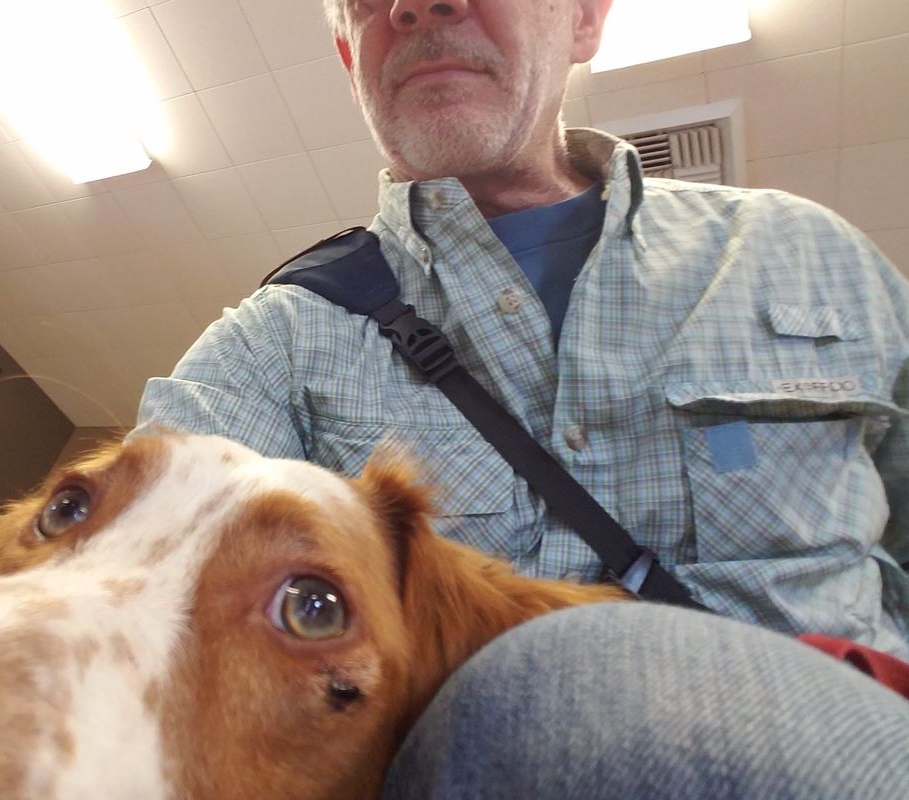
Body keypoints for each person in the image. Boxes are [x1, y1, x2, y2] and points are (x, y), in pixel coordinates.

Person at [135, 0, 909, 796]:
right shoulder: (271, 349)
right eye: (369, 0)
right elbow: (135, 621)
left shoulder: (810, 253)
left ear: (583, 20)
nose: (415, 4)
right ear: (348, 54)